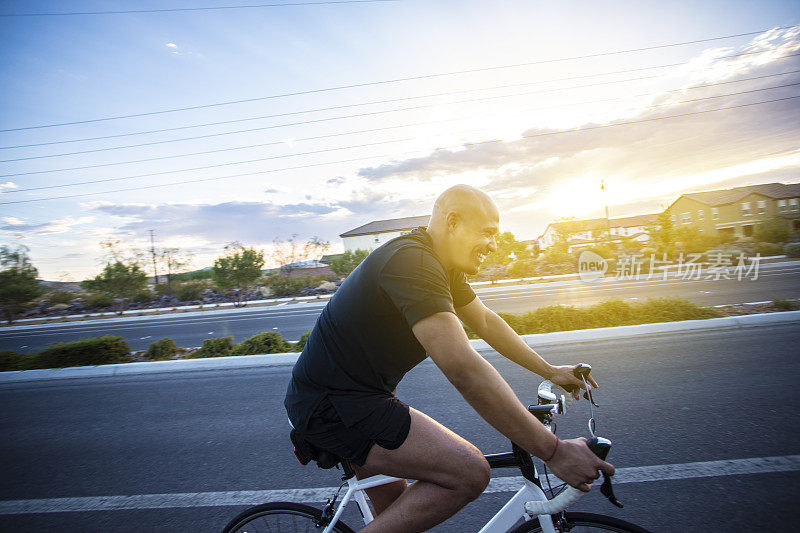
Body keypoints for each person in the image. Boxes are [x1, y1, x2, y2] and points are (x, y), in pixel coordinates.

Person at [284, 184, 614, 532]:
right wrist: (553, 451)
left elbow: (485, 321)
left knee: (400, 520)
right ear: (453, 222)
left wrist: (550, 370)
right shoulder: (413, 262)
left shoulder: (441, 264)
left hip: (355, 400)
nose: (493, 244)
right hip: (336, 407)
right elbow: (462, 368)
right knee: (468, 472)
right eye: (487, 233)